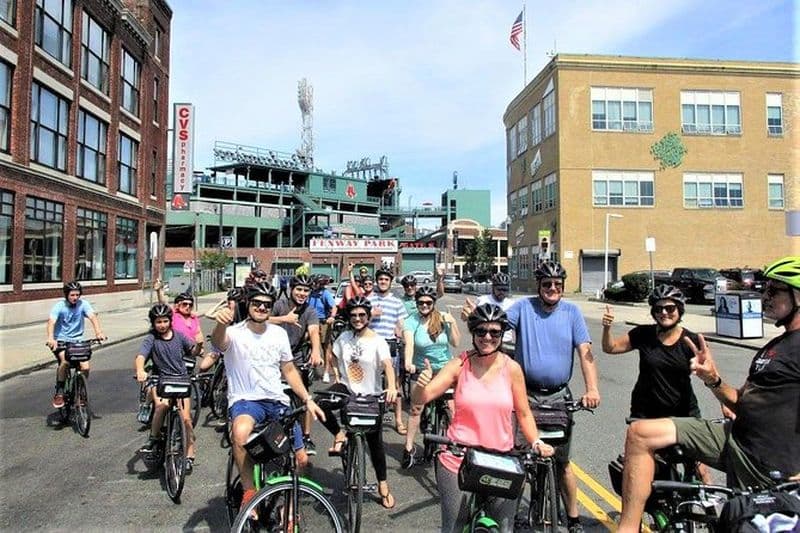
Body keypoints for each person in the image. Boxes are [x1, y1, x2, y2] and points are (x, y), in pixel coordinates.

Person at [617, 256, 800, 532]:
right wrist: (712, 379)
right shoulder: (773, 347)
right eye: (765, 289)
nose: (765, 296)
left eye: (774, 290)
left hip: (768, 461)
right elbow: (740, 401)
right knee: (640, 433)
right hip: (736, 438)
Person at [411, 303, 555, 532]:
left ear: (502, 334)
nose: (487, 337)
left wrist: (536, 442)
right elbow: (423, 397)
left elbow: (524, 413)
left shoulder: (512, 368)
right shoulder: (460, 364)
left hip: (501, 460)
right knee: (454, 526)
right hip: (459, 456)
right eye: (481, 331)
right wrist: (420, 385)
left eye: (494, 332)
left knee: (505, 527)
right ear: (473, 332)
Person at [210, 281, 325, 512]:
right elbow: (218, 342)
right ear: (248, 304)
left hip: (276, 401)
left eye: (267, 304)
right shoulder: (234, 332)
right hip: (246, 401)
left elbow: (289, 370)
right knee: (240, 433)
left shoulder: (278, 334)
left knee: (302, 460)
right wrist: (221, 324)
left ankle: (287, 506)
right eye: (257, 303)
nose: (262, 307)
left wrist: (307, 399)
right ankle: (249, 492)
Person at [505, 260, 600, 533]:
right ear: (539, 286)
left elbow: (585, 352)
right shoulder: (523, 307)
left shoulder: (572, 312)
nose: (552, 288)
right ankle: (510, 515)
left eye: (558, 284)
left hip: (559, 397)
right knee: (519, 460)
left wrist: (592, 389)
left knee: (563, 463)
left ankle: (573, 518)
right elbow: (495, 325)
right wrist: (473, 318)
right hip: (527, 396)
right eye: (547, 284)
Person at [601, 285, 711, 483]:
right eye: (659, 308)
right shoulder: (643, 334)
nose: (664, 313)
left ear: (679, 310)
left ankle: (710, 503)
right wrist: (607, 328)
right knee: (639, 472)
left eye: (670, 308)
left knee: (700, 470)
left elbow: (711, 375)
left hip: (683, 412)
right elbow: (610, 348)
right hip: (646, 413)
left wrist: (726, 405)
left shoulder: (691, 341)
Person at [319, 297, 398, 510]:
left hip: (371, 394)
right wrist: (337, 374)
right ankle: (339, 434)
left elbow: (388, 366)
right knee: (319, 404)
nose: (357, 318)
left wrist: (391, 387)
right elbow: (333, 355)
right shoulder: (344, 337)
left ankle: (383, 484)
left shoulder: (378, 341)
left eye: (362, 315)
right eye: (353, 315)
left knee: (375, 442)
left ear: (368, 317)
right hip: (347, 389)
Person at [401, 285, 461, 469]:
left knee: (452, 409)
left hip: (444, 370)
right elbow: (409, 344)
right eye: (421, 302)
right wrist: (408, 362)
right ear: (416, 303)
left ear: (434, 303)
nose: (425, 305)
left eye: (428, 302)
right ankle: (408, 448)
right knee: (416, 410)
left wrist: (452, 323)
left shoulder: (442, 318)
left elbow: (456, 342)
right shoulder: (411, 321)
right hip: (422, 370)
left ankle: (456, 447)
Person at [135, 304, 197, 472]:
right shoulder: (151, 339)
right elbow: (141, 356)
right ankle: (154, 438)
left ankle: (189, 455)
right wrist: (140, 370)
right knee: (162, 406)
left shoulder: (179, 336)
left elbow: (192, 350)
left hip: (181, 380)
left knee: (186, 419)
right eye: (158, 322)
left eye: (165, 321)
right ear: (153, 323)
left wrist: (198, 347)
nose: (162, 325)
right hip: (160, 380)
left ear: (170, 321)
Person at [269, 274, 323, 455]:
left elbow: (314, 331)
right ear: (291, 289)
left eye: (306, 290)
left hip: (296, 356)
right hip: (274, 357)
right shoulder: (279, 305)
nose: (302, 293)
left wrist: (316, 351)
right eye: (299, 289)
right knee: (272, 396)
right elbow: (261, 319)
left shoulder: (310, 310)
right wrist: (283, 319)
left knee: (304, 396)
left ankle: (306, 437)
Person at [46, 281, 107, 408]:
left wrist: (99, 332)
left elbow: (92, 317)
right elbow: (51, 322)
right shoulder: (59, 306)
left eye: (77, 295)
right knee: (65, 362)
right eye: (72, 295)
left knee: (85, 367)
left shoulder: (83, 304)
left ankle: (79, 392)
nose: (75, 298)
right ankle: (60, 392)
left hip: (77, 341)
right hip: (61, 340)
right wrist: (51, 338)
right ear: (66, 295)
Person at [367, 268, 409, 436]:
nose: (383, 282)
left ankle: (398, 420)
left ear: (390, 282)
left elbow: (402, 324)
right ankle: (369, 416)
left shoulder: (397, 302)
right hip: (372, 345)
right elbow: (359, 322)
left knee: (395, 385)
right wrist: (371, 314)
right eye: (381, 279)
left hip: (391, 345)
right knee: (370, 383)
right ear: (377, 281)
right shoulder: (369, 300)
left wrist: (403, 335)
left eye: (386, 279)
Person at [462, 272, 516, 353]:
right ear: (493, 288)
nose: (502, 292)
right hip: (486, 340)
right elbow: (467, 318)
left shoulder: (512, 304)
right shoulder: (482, 300)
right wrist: (468, 315)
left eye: (505, 290)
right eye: (499, 289)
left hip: (506, 343)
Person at [154, 280, 204, 358]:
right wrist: (159, 290)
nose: (188, 307)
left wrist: (201, 347)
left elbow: (198, 333)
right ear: (177, 305)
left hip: (190, 352)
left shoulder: (194, 318)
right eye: (185, 304)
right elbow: (164, 303)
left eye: (190, 305)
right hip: (174, 351)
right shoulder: (173, 315)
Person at [308, 275, 338, 383]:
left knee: (326, 347)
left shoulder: (325, 293)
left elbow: (334, 307)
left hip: (323, 321)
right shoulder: (310, 293)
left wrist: (332, 317)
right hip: (310, 321)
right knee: (308, 343)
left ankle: (326, 372)